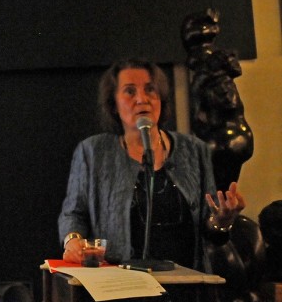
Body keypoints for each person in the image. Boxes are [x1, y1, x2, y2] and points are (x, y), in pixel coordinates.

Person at [58, 58, 246, 270]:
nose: (142, 99)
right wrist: (73, 240)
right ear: (114, 105)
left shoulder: (194, 150)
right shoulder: (93, 152)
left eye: (150, 90)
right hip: (120, 287)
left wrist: (221, 222)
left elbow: (209, 228)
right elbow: (73, 213)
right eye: (130, 91)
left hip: (185, 285)